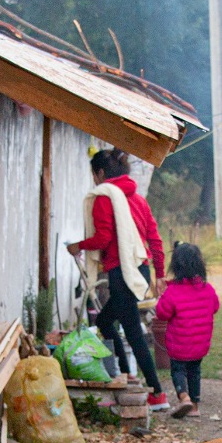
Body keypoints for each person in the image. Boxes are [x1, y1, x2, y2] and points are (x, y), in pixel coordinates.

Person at [67, 148, 169, 409]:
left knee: (133, 331)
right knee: (105, 320)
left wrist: (78, 246)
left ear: (100, 173)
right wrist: (158, 274)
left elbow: (103, 238)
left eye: (93, 174)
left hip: (122, 272)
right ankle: (126, 372)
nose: (94, 180)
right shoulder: (138, 199)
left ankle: (157, 393)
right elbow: (154, 239)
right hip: (140, 270)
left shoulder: (104, 198)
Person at [153, 243, 218, 418]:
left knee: (178, 370)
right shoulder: (207, 288)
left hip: (179, 345)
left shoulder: (173, 292)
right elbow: (215, 307)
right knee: (195, 372)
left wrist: (161, 297)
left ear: (175, 266)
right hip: (199, 345)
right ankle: (195, 407)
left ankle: (184, 397)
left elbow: (162, 313)